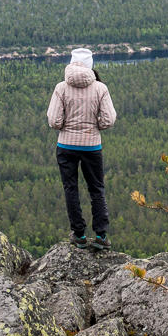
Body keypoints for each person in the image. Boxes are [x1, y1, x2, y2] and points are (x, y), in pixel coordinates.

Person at [47, 48, 118, 251]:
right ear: (90, 65)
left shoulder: (61, 88)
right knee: (96, 188)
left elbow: (54, 120)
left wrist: (66, 127)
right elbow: (108, 119)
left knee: (71, 189)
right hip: (91, 146)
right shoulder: (100, 88)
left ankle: (79, 235)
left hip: (66, 146)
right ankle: (101, 235)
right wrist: (94, 127)